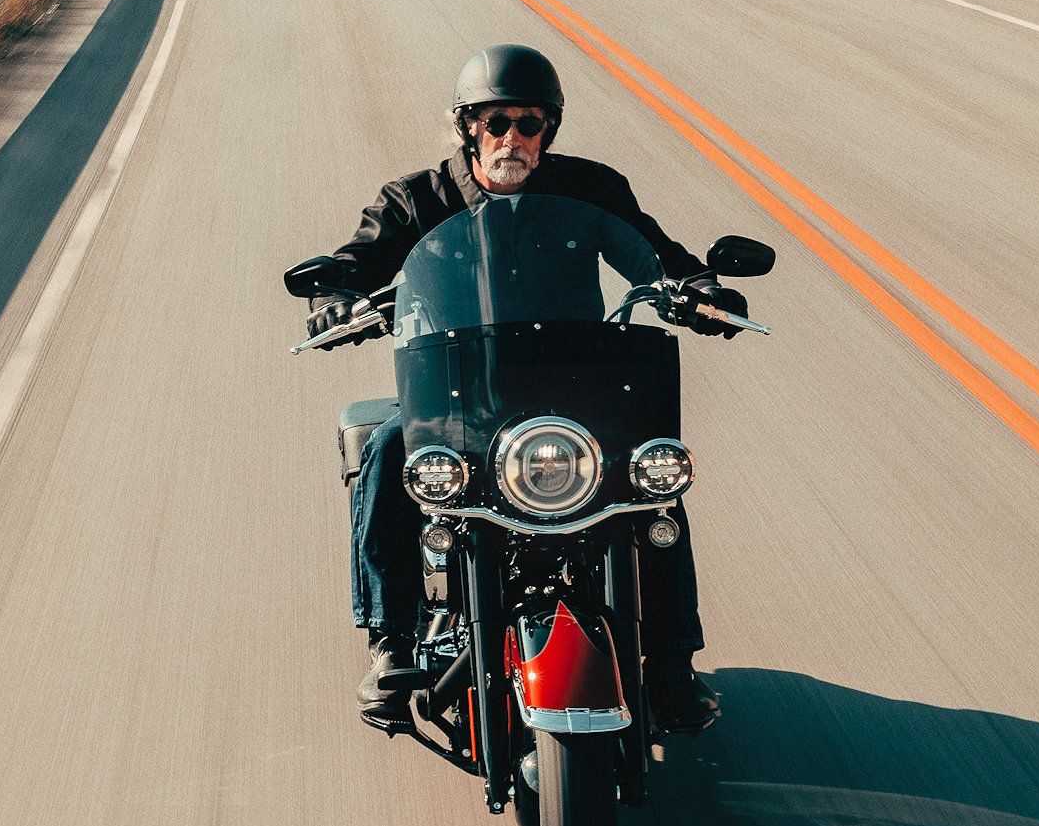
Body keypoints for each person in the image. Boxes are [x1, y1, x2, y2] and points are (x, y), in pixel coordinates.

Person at [307, 44, 747, 735]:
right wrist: (337, 290)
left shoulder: (592, 189)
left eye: (531, 123)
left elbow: (653, 253)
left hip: (579, 392)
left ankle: (669, 662)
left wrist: (697, 289)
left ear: (550, 129)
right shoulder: (416, 199)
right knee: (390, 452)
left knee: (652, 479)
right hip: (458, 397)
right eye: (496, 121)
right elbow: (360, 257)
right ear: (467, 128)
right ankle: (391, 646)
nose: (513, 137)